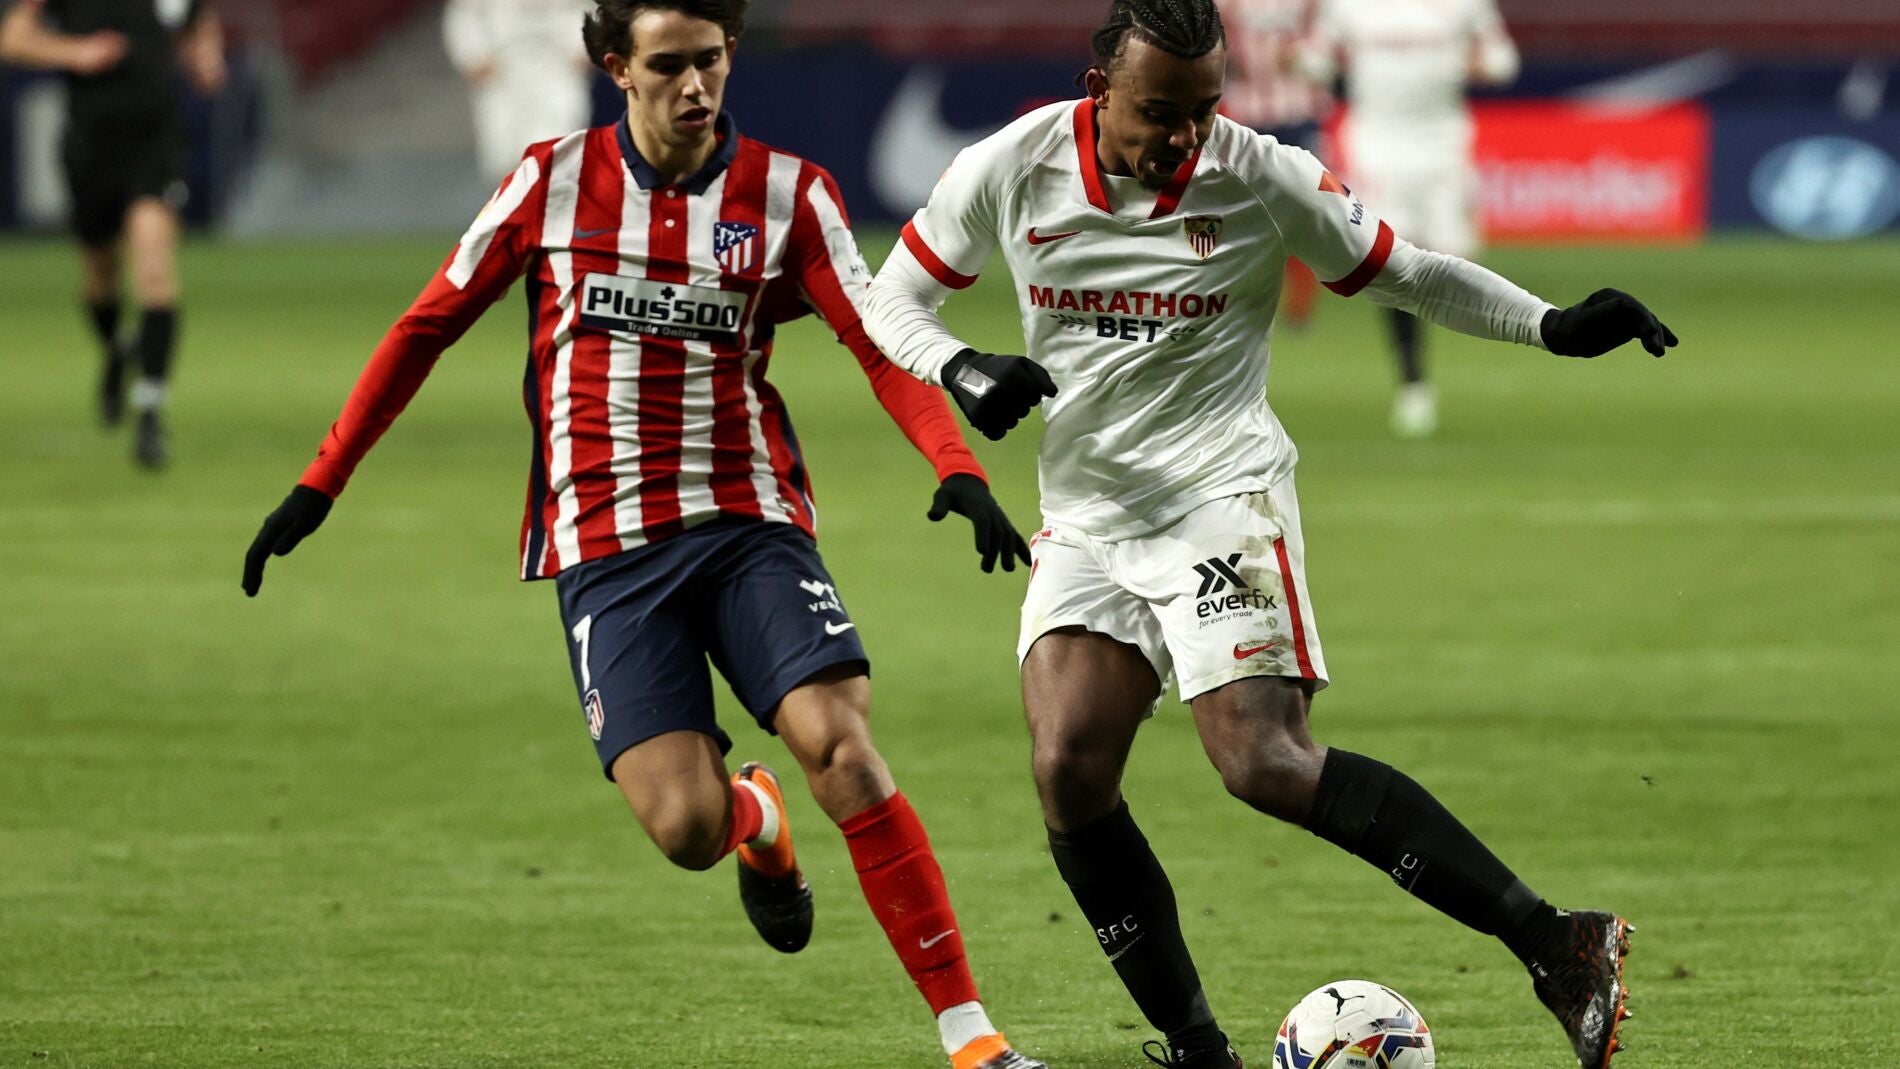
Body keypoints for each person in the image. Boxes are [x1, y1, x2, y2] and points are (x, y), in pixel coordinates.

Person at [861, 2, 1675, 1068]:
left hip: (1220, 496)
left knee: (1262, 758)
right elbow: (893, 296)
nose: (1183, 137)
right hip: (1089, 516)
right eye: (1159, 112)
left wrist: (1550, 326)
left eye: (1202, 110)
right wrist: (961, 367)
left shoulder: (1259, 174)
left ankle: (1556, 942)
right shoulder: (1011, 166)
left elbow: (1409, 270)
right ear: (1098, 89)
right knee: (1067, 767)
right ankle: (1200, 1049)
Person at [239, 3, 1044, 1067]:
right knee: (685, 829)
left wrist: (956, 465)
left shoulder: (790, 194)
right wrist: (321, 480)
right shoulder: (548, 183)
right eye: (668, 65)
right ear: (616, 66)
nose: (694, 86)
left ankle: (971, 1035)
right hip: (607, 550)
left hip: (746, 525)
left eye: (710, 60)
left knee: (842, 747)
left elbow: (877, 337)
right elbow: (426, 324)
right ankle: (754, 820)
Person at [0, 0, 225, 467]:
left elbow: (198, 23)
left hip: (156, 146)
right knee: (100, 280)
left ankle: (150, 411)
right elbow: (13, 39)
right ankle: (117, 349)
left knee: (154, 270)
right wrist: (74, 52)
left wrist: (206, 58)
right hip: (91, 149)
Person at [1303, 0, 1522, 437]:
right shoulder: (1346, 6)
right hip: (1377, 146)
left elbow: (1504, 62)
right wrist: (1298, 61)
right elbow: (1316, 61)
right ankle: (1413, 383)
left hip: (1443, 144)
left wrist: (1473, 64)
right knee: (1392, 260)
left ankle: (1485, 352)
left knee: (1456, 259)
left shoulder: (1464, 5)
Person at [1216, 0, 1329, 329]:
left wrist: (1304, 58)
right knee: (1243, 212)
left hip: (1298, 113)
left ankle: (1300, 305)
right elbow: (1208, 39)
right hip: (1246, 115)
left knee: (1303, 208)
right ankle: (1244, 297)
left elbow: (1328, 40)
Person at [443, 0, 596, 180]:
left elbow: (588, 10)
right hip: (502, 72)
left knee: (560, 148)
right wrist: (473, 55)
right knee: (503, 149)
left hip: (555, 68)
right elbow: (464, 13)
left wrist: (584, 49)